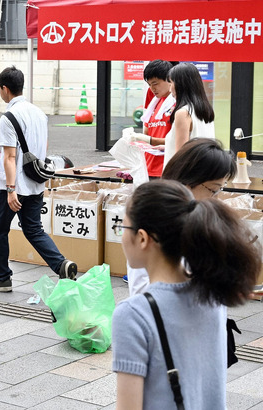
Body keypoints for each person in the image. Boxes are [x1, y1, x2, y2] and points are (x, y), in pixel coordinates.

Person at [112, 180, 259, 409]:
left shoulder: (133, 314)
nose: (121, 235)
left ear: (142, 238)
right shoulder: (212, 293)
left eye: (122, 227)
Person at [0, 66, 76, 293]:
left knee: (0, 231)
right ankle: (61, 264)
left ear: (5, 89)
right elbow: (43, 147)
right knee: (33, 229)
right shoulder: (39, 114)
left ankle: (1, 278)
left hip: (12, 185)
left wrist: (10, 189)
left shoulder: (8, 117)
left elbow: (9, 156)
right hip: (36, 181)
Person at [126, 138, 236, 296]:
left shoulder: (200, 220)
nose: (217, 198)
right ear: (188, 183)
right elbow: (141, 290)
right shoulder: (155, 219)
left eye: (220, 190)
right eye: (213, 190)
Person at [128, 60, 176, 178]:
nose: (152, 88)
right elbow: (147, 130)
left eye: (155, 83)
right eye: (149, 84)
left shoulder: (178, 104)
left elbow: (179, 141)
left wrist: (147, 139)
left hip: (167, 168)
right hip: (148, 166)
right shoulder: (154, 101)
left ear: (169, 80)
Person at [163, 62, 215, 166]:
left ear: (180, 85)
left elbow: (180, 155)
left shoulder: (183, 113)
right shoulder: (205, 110)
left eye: (171, 83)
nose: (170, 89)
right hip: (204, 169)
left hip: (184, 173)